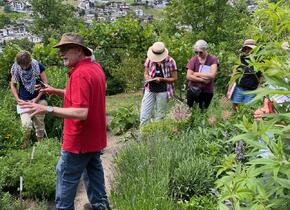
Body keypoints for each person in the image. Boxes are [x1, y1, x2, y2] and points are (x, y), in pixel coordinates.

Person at [19, 33, 109, 210]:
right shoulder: (95, 68)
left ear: (78, 50)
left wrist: (47, 109)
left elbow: (82, 112)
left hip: (78, 141)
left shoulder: (79, 74)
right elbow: (84, 97)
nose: (61, 54)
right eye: (61, 50)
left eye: (65, 49)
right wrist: (55, 91)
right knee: (93, 174)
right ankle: (101, 206)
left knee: (65, 178)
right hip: (94, 138)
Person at [10, 50, 48, 147]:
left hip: (40, 100)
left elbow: (46, 85)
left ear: (30, 61)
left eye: (26, 64)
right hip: (24, 101)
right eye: (22, 65)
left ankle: (41, 145)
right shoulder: (16, 68)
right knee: (26, 126)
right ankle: (25, 146)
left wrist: (36, 99)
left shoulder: (37, 66)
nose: (24, 67)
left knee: (39, 126)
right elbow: (13, 85)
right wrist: (17, 99)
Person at [140, 41, 178, 125]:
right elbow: (145, 73)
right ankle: (143, 135)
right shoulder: (149, 59)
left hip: (163, 90)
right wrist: (148, 78)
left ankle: (157, 134)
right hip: (149, 89)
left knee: (160, 115)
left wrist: (161, 79)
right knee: (144, 114)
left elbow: (175, 78)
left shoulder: (171, 61)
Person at [228, 39, 262, 111]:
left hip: (252, 89)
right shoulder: (241, 59)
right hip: (239, 87)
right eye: (246, 48)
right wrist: (229, 88)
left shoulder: (260, 60)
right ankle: (234, 121)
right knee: (235, 107)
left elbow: (262, 75)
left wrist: (259, 88)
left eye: (250, 48)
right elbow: (235, 73)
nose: (247, 50)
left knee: (249, 110)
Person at [186, 40, 218, 110]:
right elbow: (188, 76)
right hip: (193, 89)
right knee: (189, 110)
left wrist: (196, 74)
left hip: (207, 91)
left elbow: (213, 75)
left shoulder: (212, 59)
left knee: (203, 111)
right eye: (196, 52)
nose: (198, 54)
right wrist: (202, 79)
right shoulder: (193, 59)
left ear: (206, 50)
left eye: (200, 52)